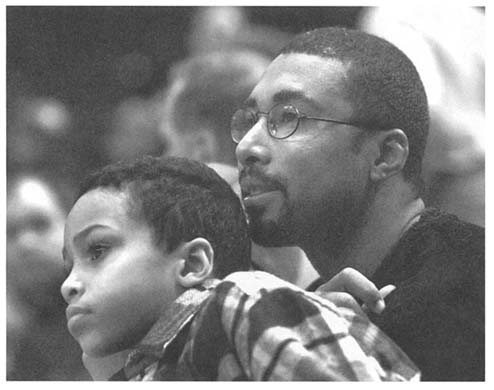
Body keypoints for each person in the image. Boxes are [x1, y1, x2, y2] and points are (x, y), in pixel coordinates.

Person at [231, 26, 484, 381]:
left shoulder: (471, 293)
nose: (246, 148)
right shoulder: (319, 307)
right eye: (250, 120)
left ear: (384, 155)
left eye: (289, 118)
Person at [60, 155, 418, 381]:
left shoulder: (246, 301)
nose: (69, 285)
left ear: (192, 263)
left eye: (97, 250)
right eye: (69, 265)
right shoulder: (148, 369)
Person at [158, 49, 318, 288]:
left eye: (169, 143)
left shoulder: (184, 234)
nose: (163, 158)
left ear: (201, 148)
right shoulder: (309, 218)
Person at [7, 175, 89, 380]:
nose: (25, 242)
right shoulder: (15, 340)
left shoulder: (112, 320)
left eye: (39, 224)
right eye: (10, 232)